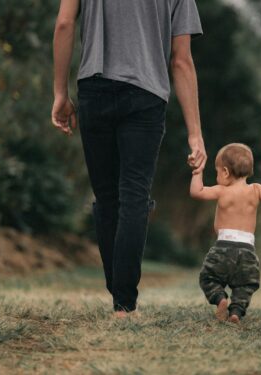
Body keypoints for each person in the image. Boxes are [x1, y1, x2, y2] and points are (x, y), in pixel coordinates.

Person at [51, 0, 207, 317]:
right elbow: (181, 62)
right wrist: (195, 133)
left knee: (107, 198)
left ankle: (119, 295)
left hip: (94, 88)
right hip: (146, 95)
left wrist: (60, 93)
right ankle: (124, 302)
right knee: (134, 196)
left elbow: (64, 24)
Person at [190, 144, 261, 323]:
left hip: (223, 247)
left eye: (217, 172)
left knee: (208, 277)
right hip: (247, 251)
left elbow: (197, 192)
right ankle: (236, 312)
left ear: (225, 172)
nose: (217, 176)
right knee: (245, 286)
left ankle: (220, 299)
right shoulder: (256, 190)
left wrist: (197, 171)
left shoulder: (222, 190)